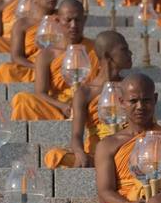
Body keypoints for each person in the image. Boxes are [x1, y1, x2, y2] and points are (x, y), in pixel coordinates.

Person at [68, 73, 161, 203]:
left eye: (146, 100)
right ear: (122, 102)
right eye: (133, 101)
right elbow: (105, 192)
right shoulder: (108, 144)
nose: (140, 106)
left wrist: (156, 200)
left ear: (155, 99)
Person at [38, 30, 132, 168]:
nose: (130, 54)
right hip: (97, 151)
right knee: (54, 155)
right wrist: (79, 152)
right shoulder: (85, 92)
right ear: (108, 55)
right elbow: (76, 135)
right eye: (124, 49)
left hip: (127, 149)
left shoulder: (130, 87)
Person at [9, 0, 95, 121]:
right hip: (59, 106)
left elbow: (102, 83)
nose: (73, 25)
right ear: (58, 20)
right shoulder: (47, 55)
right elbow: (41, 93)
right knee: (22, 100)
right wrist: (63, 106)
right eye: (68, 20)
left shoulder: (95, 49)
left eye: (78, 20)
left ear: (85, 20)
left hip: (88, 105)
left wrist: (81, 102)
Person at [0, 0, 57, 80]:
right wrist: (37, 67)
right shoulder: (22, 24)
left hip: (56, 68)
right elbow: (16, 56)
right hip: (32, 67)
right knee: (5, 70)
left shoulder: (63, 19)